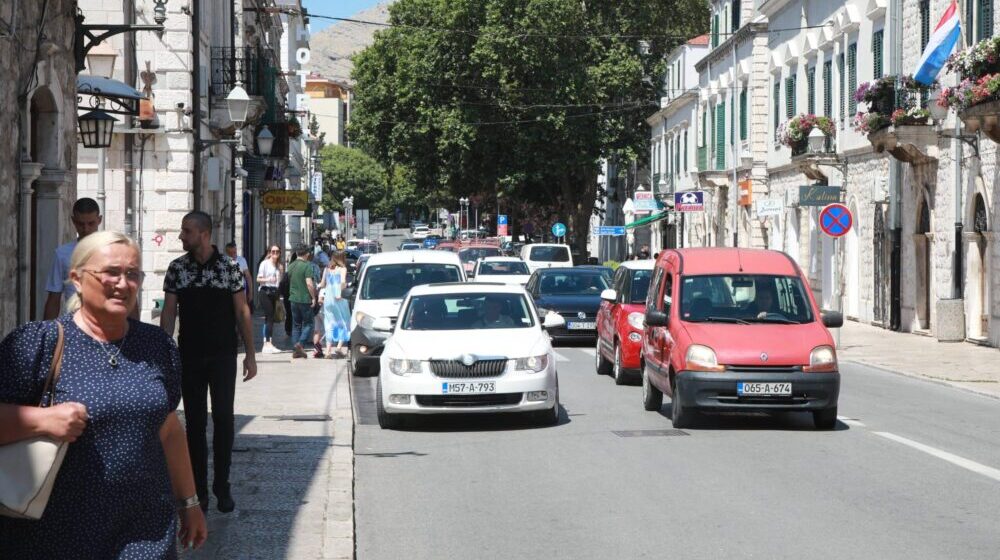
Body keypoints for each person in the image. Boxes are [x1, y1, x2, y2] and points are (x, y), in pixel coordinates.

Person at [0, 231, 208, 558]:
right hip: (56, 530)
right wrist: (40, 420)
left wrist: (190, 503)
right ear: (77, 279)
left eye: (132, 274)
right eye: (111, 272)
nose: (123, 284)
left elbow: (168, 429)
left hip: (145, 527)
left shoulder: (157, 346)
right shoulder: (37, 343)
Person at [160, 211, 257, 514]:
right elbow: (169, 313)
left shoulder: (229, 269)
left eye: (186, 231)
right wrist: (165, 352)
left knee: (225, 420)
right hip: (189, 355)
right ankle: (199, 489)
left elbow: (242, 312)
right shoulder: (177, 269)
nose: (181, 236)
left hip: (223, 355)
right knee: (195, 424)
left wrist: (251, 355)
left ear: (203, 234)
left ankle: (222, 485)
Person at [43, 198, 103, 320]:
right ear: (73, 221)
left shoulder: (113, 252)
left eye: (91, 223)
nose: (86, 229)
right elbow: (54, 297)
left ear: (99, 220)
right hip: (73, 325)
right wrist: (47, 333)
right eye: (81, 224)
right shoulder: (62, 254)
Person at [286, 244, 318, 359]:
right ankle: (301, 344)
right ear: (307, 254)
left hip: (293, 299)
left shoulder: (291, 266)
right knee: (309, 323)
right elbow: (309, 283)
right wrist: (313, 297)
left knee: (296, 325)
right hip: (304, 299)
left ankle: (296, 349)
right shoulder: (307, 266)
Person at [318, 251, 351, 357]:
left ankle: (327, 351)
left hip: (328, 299)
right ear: (342, 258)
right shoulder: (343, 269)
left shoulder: (327, 269)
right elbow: (342, 282)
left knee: (329, 323)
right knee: (344, 322)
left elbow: (322, 284)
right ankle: (339, 347)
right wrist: (342, 290)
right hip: (339, 298)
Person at [256, 244, 283, 354]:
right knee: (270, 316)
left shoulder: (278, 265)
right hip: (265, 291)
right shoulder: (264, 263)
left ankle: (267, 343)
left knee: (270, 318)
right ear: (269, 252)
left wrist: (280, 273)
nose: (275, 253)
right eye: (273, 251)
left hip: (274, 292)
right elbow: (258, 278)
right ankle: (267, 343)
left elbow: (278, 281)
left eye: (277, 251)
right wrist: (268, 279)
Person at [225, 242, 254, 311]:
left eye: (234, 252)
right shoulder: (224, 261)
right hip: (227, 292)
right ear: (226, 252)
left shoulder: (242, 260)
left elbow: (248, 277)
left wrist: (250, 292)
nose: (233, 255)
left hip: (240, 292)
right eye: (230, 253)